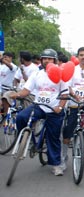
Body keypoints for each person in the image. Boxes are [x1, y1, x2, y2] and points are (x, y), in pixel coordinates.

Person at [9, 48, 68, 176]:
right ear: (41, 60)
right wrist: (16, 94)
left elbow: (64, 94)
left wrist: (60, 107)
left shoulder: (60, 75)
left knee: (53, 138)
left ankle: (56, 164)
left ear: (55, 60)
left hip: (54, 109)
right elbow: (26, 90)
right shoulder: (37, 74)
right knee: (21, 117)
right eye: (45, 58)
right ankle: (24, 141)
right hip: (39, 106)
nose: (47, 61)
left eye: (50, 59)